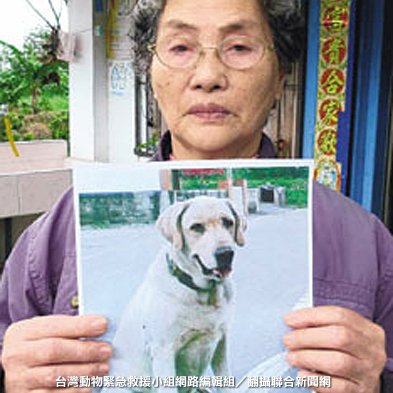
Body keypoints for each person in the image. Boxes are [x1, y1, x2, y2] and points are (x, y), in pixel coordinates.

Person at [0, 0, 392, 392]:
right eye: (180, 48)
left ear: (279, 77)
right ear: (149, 72)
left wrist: (375, 383)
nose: (208, 76)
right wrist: (12, 378)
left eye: (239, 47)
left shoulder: (365, 242)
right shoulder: (57, 232)